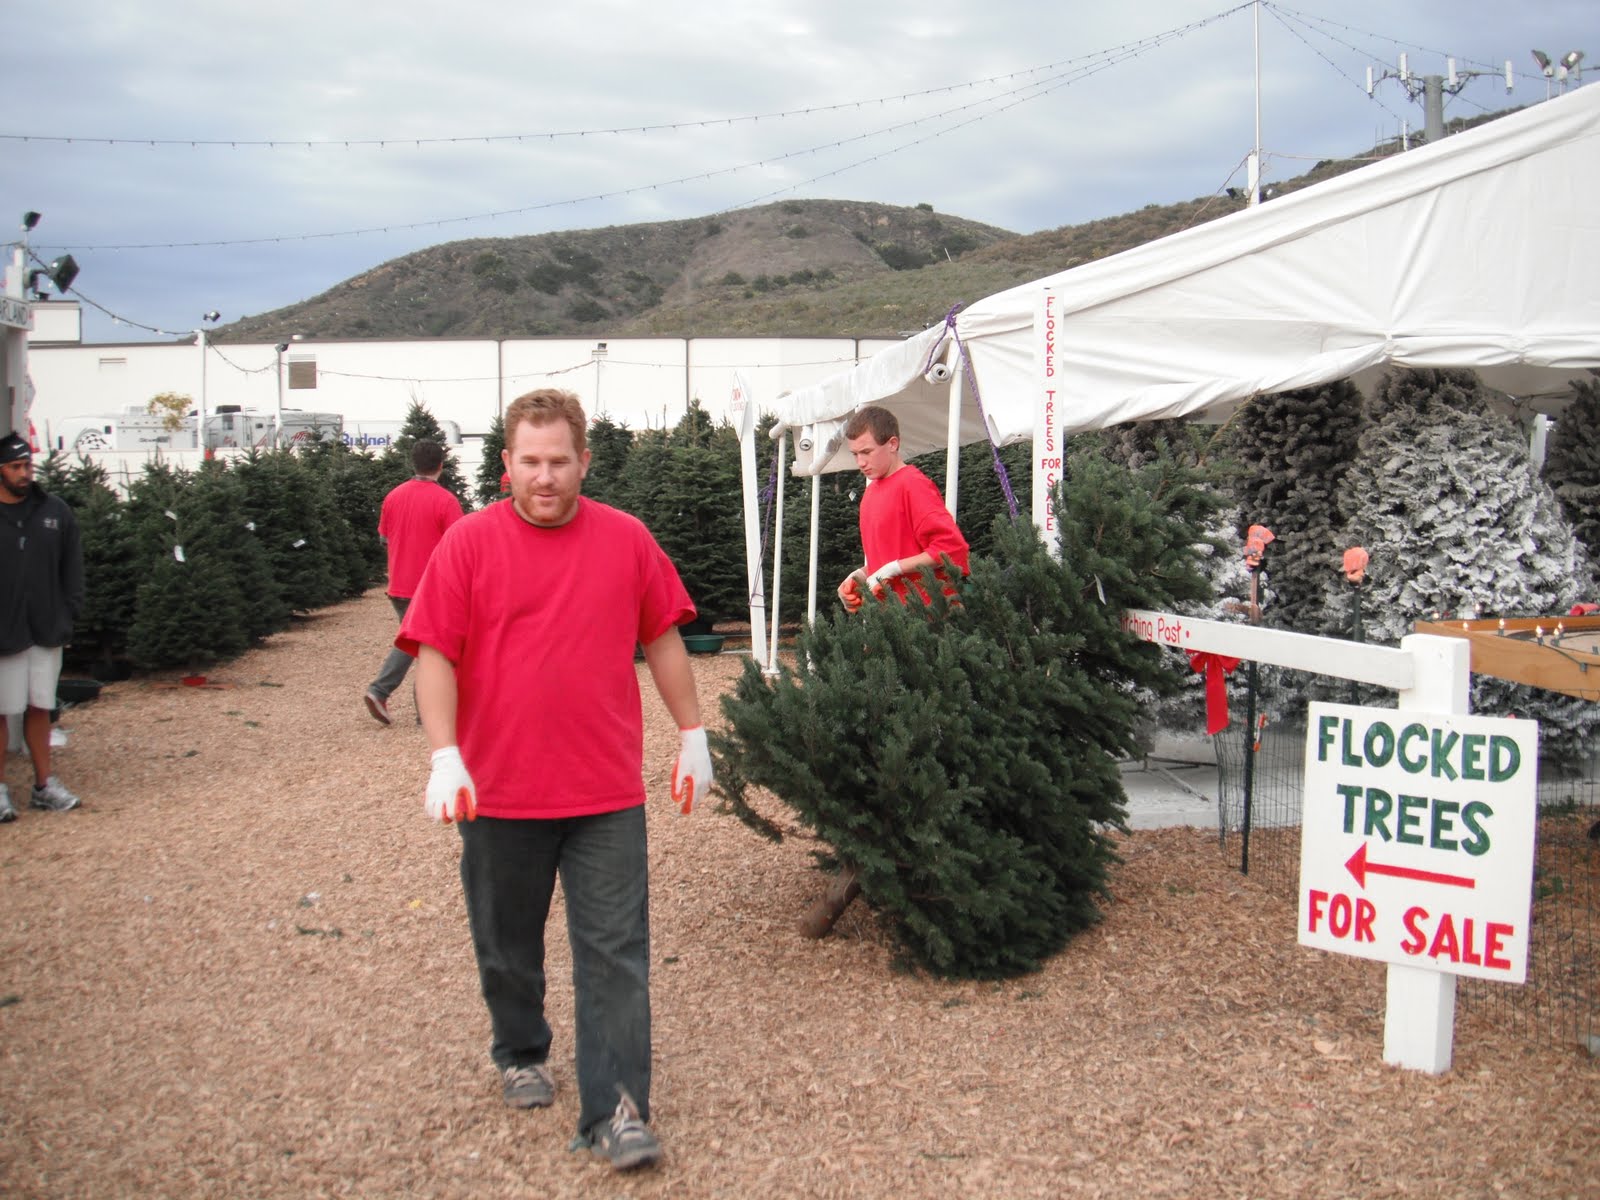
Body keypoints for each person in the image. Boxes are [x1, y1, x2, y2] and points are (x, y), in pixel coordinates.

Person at [397, 388, 712, 1173]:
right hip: (497, 792)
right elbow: (434, 652)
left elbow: (663, 638)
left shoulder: (627, 539)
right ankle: (520, 1048)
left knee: (616, 951)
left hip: (604, 792)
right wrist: (444, 754)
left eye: (560, 461)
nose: (546, 477)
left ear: (585, 462)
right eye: (530, 463)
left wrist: (694, 735)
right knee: (507, 942)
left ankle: (617, 1109)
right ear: (505, 466)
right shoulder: (468, 545)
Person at [0, 432, 85, 822]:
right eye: (15, 467)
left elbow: (72, 567)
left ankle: (43, 785)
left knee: (40, 706)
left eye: (27, 465)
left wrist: (69, 611)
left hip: (46, 628)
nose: (24, 473)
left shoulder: (54, 511)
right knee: (3, 710)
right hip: (6, 633)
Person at [363, 439, 462, 725]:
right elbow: (459, 547)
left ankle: (421, 710)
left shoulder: (393, 496)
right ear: (440, 466)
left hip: (399, 584)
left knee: (422, 643)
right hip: (430, 587)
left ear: (413, 463)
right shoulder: (446, 501)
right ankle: (382, 691)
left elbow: (384, 538)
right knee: (420, 643)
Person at [834, 404, 970, 611]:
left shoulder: (913, 484)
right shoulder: (870, 493)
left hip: (928, 617)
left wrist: (892, 569)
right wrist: (861, 575)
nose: (860, 462)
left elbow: (950, 548)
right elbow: (894, 555)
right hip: (890, 619)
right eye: (855, 454)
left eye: (866, 452)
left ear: (892, 444)